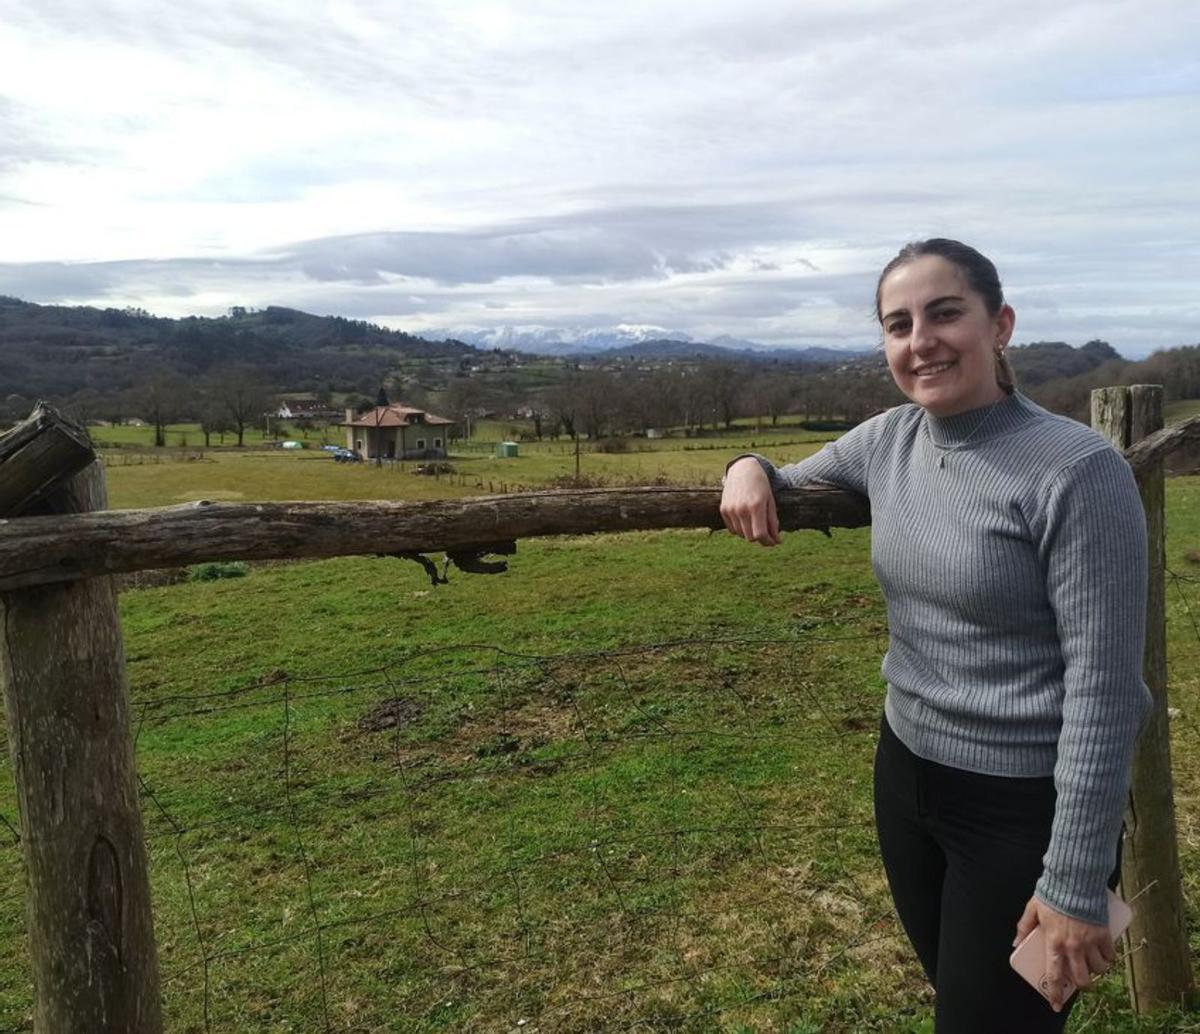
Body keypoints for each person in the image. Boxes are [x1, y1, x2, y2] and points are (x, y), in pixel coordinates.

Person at [720, 239, 1151, 1032]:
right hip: (907, 778)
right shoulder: (890, 440)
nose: (921, 340)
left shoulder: (1075, 470)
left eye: (945, 313)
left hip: (1021, 806)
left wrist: (1076, 879)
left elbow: (1105, 690)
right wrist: (746, 463)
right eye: (898, 323)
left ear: (1001, 325)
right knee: (961, 1001)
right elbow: (788, 474)